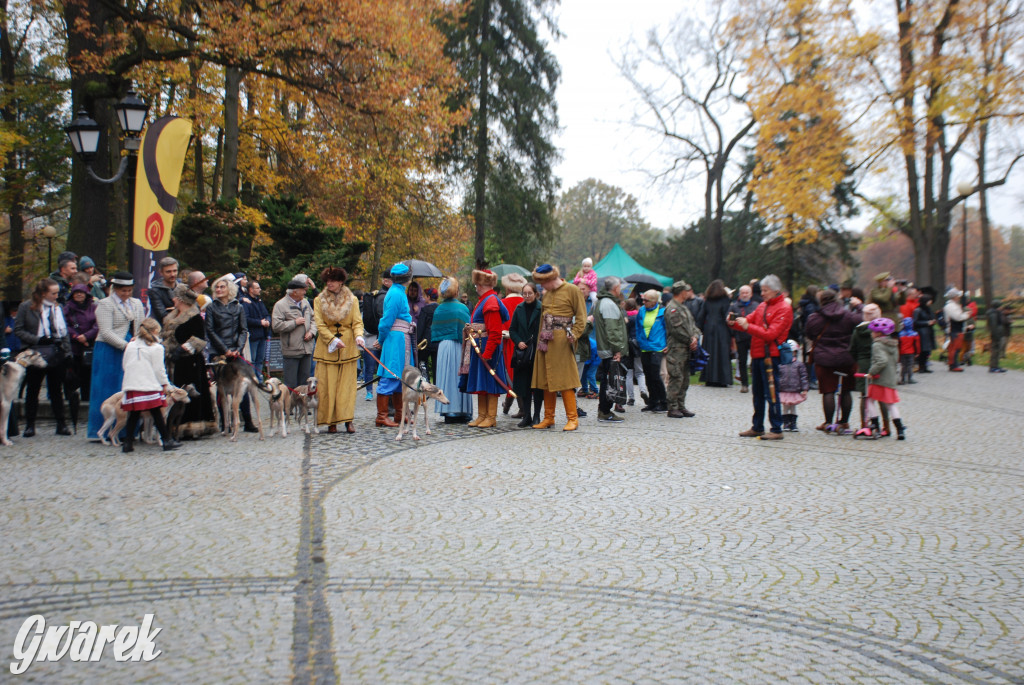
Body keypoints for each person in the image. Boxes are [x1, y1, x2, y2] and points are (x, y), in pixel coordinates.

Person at [729, 274, 793, 440]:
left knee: (771, 392)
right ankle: (757, 426)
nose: (762, 293)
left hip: (771, 356)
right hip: (758, 354)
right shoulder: (762, 306)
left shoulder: (784, 308)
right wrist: (734, 322)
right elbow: (748, 321)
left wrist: (747, 326)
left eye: (765, 290)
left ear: (775, 290)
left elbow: (771, 334)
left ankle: (776, 428)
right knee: (757, 393)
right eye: (762, 290)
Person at [88, 272, 146, 440]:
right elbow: (106, 332)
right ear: (115, 289)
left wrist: (138, 341)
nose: (126, 294)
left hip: (132, 347)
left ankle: (126, 430)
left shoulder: (136, 303)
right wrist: (126, 345)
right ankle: (101, 429)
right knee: (107, 387)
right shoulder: (105, 304)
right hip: (109, 349)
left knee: (128, 388)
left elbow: (140, 325)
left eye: (129, 290)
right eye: (123, 291)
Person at [530, 264, 587, 431]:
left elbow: (582, 317)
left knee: (565, 379)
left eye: (542, 283)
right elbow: (543, 318)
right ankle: (549, 418)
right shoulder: (546, 295)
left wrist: (574, 334)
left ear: (549, 279)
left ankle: (573, 418)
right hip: (546, 340)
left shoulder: (572, 290)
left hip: (562, 340)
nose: (541, 287)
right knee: (547, 380)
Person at [14, 279, 73, 437]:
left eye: (57, 293)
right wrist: (36, 340)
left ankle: (61, 423)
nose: (56, 296)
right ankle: (29, 424)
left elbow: (64, 332)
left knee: (56, 390)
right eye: (53, 293)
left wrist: (67, 353)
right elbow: (18, 330)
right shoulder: (26, 307)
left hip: (55, 351)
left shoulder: (57, 308)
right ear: (43, 293)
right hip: (35, 352)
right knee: (33, 389)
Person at [312, 267, 364, 434]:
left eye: (333, 280)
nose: (329, 283)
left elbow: (356, 322)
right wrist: (332, 339)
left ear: (341, 282)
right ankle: (330, 421)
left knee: (347, 387)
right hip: (327, 349)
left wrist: (359, 336)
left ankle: (348, 420)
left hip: (348, 348)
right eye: (327, 281)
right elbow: (319, 325)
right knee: (327, 387)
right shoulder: (319, 300)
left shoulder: (352, 300)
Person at [162, 284, 217, 438]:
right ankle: (174, 425)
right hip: (173, 361)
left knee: (190, 392)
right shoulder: (170, 317)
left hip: (189, 361)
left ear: (180, 299)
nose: (172, 299)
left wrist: (181, 350)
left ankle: (191, 426)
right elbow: (166, 337)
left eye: (175, 296)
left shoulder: (194, 317)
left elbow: (198, 339)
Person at [803, 288, 861, 434]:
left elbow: (809, 333)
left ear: (821, 301)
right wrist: (859, 305)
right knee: (846, 390)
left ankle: (828, 422)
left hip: (824, 359)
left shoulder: (815, 317)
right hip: (846, 357)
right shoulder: (848, 315)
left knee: (828, 391)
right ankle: (844, 422)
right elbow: (862, 320)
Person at [119, 318, 181, 453]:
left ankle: (128, 443)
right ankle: (166, 440)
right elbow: (159, 369)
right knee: (156, 413)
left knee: (134, 414)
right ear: (154, 331)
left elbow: (125, 365)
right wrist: (165, 384)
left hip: (132, 383)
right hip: (148, 384)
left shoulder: (130, 345)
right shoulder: (157, 348)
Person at [206, 274, 257, 433]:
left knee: (242, 384)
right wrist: (224, 350)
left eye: (222, 287)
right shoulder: (211, 307)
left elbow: (243, 329)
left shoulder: (238, 307)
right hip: (219, 352)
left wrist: (238, 348)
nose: (219, 289)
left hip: (236, 351)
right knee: (222, 387)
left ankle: (248, 421)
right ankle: (224, 423)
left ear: (230, 289)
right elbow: (210, 330)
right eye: (217, 287)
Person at [463, 269, 510, 428]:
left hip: (486, 348)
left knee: (490, 383)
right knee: (481, 383)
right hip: (479, 347)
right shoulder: (484, 299)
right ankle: (482, 415)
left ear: (482, 283)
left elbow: (495, 332)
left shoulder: (490, 301)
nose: (475, 286)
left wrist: (488, 353)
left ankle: (491, 417)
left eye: (477, 282)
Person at [375, 262, 415, 428]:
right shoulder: (396, 294)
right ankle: (382, 416)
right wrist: (382, 338)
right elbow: (386, 320)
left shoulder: (397, 292)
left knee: (400, 377)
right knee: (390, 376)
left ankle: (400, 413)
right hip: (396, 339)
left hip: (400, 337)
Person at [431, 277, 473, 423]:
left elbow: (435, 331)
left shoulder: (439, 308)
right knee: (457, 377)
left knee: (445, 377)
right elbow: (467, 330)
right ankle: (461, 410)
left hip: (443, 346)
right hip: (457, 345)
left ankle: (448, 411)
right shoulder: (462, 308)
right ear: (456, 291)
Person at [592, 276, 628, 422]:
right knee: (610, 382)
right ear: (616, 288)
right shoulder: (608, 304)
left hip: (606, 349)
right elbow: (612, 330)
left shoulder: (603, 302)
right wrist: (617, 350)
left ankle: (604, 410)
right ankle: (605, 412)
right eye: (619, 286)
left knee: (608, 381)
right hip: (610, 350)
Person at [864, 317, 906, 440]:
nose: (871, 334)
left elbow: (881, 361)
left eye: (872, 331)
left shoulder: (877, 345)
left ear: (878, 333)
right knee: (891, 405)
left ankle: (875, 425)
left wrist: (871, 373)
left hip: (879, 379)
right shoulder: (894, 344)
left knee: (870, 401)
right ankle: (900, 429)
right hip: (891, 378)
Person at [663, 281, 700, 418]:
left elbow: (693, 326)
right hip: (677, 349)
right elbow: (676, 330)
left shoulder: (684, 307)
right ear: (681, 292)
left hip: (686, 349)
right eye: (686, 290)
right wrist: (690, 340)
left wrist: (695, 337)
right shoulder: (672, 308)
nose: (689, 292)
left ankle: (680, 405)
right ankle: (672, 407)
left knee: (685, 378)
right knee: (676, 377)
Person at [509, 282, 543, 427]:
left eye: (530, 293)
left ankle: (537, 416)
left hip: (538, 352)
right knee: (524, 385)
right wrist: (518, 342)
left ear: (536, 294)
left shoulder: (541, 309)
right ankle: (527, 415)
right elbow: (512, 329)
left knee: (538, 386)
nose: (527, 296)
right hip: (523, 354)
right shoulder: (519, 308)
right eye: (524, 293)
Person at [272, 279, 316, 389]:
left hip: (307, 349)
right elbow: (276, 326)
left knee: (305, 384)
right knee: (290, 385)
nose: (305, 292)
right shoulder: (280, 305)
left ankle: (303, 406)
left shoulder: (305, 302)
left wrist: (312, 332)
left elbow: (314, 319)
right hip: (292, 350)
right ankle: (288, 406)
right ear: (294, 292)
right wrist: (294, 323)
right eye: (303, 290)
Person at [63, 283, 98, 402]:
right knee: (72, 376)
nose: (79, 294)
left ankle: (86, 399)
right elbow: (64, 325)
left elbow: (98, 324)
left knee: (87, 376)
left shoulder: (94, 307)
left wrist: (87, 336)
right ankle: (71, 400)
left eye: (81, 292)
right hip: (74, 347)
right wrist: (76, 336)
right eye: (76, 292)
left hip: (89, 346)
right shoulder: (67, 308)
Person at [360, 271, 391, 401]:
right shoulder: (383, 297)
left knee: (375, 367)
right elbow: (383, 320)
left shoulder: (384, 295)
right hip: (374, 338)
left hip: (376, 338)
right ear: (385, 281)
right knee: (372, 367)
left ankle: (378, 392)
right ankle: (371, 391)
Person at [635, 289, 668, 413]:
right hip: (644, 347)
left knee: (655, 375)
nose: (644, 302)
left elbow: (668, 328)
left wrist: (667, 344)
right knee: (648, 375)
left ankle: (663, 402)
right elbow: (638, 327)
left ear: (654, 301)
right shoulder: (642, 310)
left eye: (646, 300)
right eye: (643, 300)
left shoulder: (662, 312)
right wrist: (639, 340)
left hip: (657, 346)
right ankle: (653, 402)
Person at [697, 279, 732, 387]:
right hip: (721, 328)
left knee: (709, 353)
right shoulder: (725, 300)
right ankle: (722, 379)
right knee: (722, 354)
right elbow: (727, 315)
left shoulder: (707, 300)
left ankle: (709, 378)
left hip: (709, 329)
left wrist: (700, 329)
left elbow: (701, 316)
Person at [500, 274, 526, 416]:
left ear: (508, 288)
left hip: (508, 343)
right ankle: (507, 407)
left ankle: (522, 409)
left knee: (511, 376)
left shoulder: (502, 303)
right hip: (524, 343)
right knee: (519, 375)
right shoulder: (526, 302)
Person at [729, 285, 758, 393]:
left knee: (755, 361)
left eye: (747, 293)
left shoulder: (756, 305)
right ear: (740, 295)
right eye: (743, 293)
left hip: (753, 336)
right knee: (742, 361)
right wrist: (731, 322)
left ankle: (756, 383)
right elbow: (730, 319)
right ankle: (744, 384)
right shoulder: (734, 306)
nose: (745, 295)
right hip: (740, 337)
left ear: (751, 294)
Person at [777, 340, 809, 431]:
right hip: (783, 389)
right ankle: (786, 423)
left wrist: (805, 388)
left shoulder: (799, 365)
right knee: (785, 407)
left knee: (793, 407)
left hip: (795, 389)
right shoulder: (780, 364)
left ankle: (793, 423)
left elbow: (804, 376)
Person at [243, 280, 272, 381]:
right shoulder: (246, 302)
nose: (260, 290)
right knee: (252, 360)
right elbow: (246, 319)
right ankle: (253, 380)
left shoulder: (259, 301)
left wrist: (268, 321)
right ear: (251, 289)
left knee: (260, 359)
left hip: (262, 335)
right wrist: (260, 322)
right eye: (257, 288)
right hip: (253, 336)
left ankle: (259, 380)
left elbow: (266, 314)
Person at [942, 288, 971, 371]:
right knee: (955, 347)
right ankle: (953, 364)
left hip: (956, 329)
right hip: (954, 329)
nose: (959, 297)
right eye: (958, 296)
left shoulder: (952, 305)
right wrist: (966, 315)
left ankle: (953, 363)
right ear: (954, 297)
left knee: (955, 347)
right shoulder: (951, 306)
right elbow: (957, 317)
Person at [148, 257, 180, 323]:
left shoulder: (182, 287)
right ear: (161, 272)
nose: (172, 274)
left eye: (175, 271)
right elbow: (162, 315)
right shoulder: (154, 290)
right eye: (168, 272)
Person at [417, 287, 439, 383]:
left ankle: (426, 383)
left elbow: (420, 327)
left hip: (425, 342)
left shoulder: (425, 310)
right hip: (438, 341)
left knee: (422, 363)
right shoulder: (440, 309)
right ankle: (437, 385)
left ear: (429, 297)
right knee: (436, 366)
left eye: (425, 296)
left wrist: (417, 341)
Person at [912, 294, 938, 373]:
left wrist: (933, 320)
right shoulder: (918, 310)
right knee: (922, 350)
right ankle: (921, 366)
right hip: (922, 332)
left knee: (927, 351)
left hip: (928, 331)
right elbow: (915, 322)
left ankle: (924, 366)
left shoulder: (928, 309)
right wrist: (927, 323)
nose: (930, 302)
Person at [987, 300, 1009, 373]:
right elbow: (994, 326)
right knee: (995, 351)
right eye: (1000, 306)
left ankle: (996, 365)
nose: (1001, 307)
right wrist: (996, 335)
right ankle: (993, 367)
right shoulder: (993, 314)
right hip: (996, 335)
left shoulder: (996, 313)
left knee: (997, 351)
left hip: (999, 334)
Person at [898, 317, 921, 384]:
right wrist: (918, 352)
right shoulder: (914, 334)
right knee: (910, 366)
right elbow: (917, 345)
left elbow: (898, 345)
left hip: (902, 352)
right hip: (911, 352)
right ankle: (910, 378)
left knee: (903, 366)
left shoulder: (900, 334)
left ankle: (902, 379)